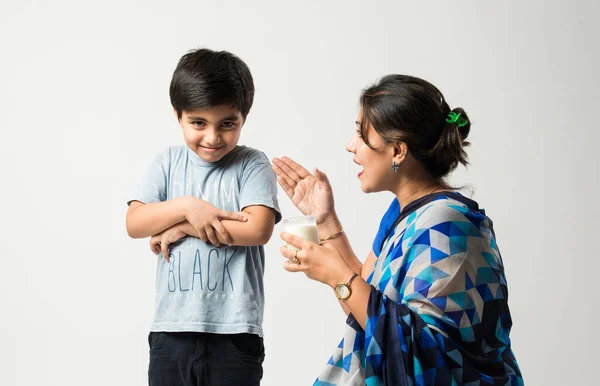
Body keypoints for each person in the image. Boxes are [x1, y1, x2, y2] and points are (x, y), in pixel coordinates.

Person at [273, 74, 523, 385]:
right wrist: (324, 220)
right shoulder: (402, 214)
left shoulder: (448, 225)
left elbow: (424, 356)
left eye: (362, 136)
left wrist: (336, 275)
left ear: (398, 151)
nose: (351, 146)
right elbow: (366, 306)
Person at [126, 48, 281, 386]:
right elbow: (135, 223)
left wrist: (181, 226)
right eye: (198, 123)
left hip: (234, 333)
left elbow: (257, 229)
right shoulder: (166, 162)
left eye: (227, 124)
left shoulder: (252, 164)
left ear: (243, 118)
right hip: (171, 331)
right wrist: (186, 207)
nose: (212, 137)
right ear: (178, 115)